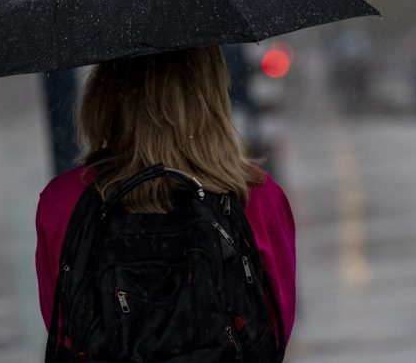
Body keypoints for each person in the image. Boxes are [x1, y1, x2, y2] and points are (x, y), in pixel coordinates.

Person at [35, 46, 296, 354]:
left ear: (104, 91)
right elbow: (275, 330)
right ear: (211, 89)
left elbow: (64, 328)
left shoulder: (61, 203)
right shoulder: (258, 197)